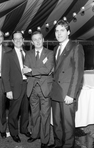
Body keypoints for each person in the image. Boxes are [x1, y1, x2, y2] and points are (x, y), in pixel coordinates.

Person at [50, 19, 85, 148]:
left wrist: (71, 94)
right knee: (57, 123)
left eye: (62, 30)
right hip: (56, 92)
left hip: (67, 94)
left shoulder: (76, 47)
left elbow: (78, 72)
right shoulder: (55, 49)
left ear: (68, 32)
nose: (59, 34)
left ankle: (68, 146)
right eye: (57, 31)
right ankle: (58, 144)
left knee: (68, 125)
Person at [22, 31, 54, 148]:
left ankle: (45, 140)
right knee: (34, 114)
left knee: (45, 115)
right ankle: (35, 134)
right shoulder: (28, 54)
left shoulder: (50, 53)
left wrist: (32, 71)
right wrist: (40, 71)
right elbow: (25, 71)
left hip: (45, 88)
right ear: (31, 42)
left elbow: (48, 69)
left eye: (39, 39)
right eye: (35, 39)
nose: (37, 41)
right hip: (32, 88)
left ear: (43, 39)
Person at [2, 31, 30, 143]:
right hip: (14, 88)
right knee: (14, 112)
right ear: (13, 41)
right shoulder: (8, 55)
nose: (18, 40)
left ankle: (24, 129)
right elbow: (4, 74)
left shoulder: (28, 54)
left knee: (25, 111)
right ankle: (14, 133)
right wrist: (8, 90)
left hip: (27, 85)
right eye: (15, 39)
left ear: (23, 40)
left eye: (20, 38)